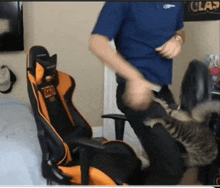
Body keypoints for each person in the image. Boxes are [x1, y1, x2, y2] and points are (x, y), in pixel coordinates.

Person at [89, 2, 186, 185]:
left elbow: (180, 30)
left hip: (162, 92)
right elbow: (97, 43)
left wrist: (178, 40)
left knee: (178, 156)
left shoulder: (176, 3)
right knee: (171, 169)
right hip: (135, 92)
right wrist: (134, 78)